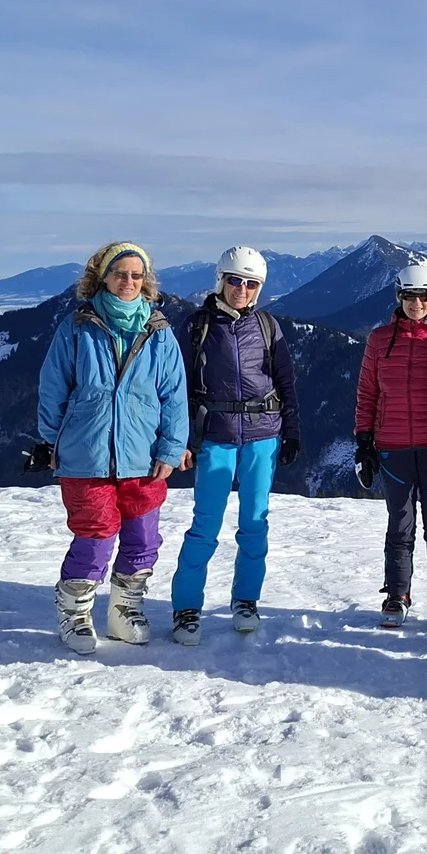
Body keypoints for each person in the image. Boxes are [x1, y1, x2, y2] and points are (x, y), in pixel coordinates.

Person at [32, 242, 188, 654]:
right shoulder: (78, 326)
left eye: (137, 276)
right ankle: (76, 612)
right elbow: (53, 388)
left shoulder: (158, 332)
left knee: (142, 538)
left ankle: (125, 610)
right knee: (95, 535)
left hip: (143, 454)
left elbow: (175, 396)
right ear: (102, 277)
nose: (129, 282)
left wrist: (171, 448)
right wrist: (54, 440)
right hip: (87, 454)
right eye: (121, 273)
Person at [169, 246, 301, 645]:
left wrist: (292, 429)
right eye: (235, 280)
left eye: (250, 283)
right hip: (216, 435)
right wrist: (182, 440)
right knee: (205, 524)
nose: (241, 289)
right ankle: (186, 607)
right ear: (220, 281)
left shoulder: (266, 325)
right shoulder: (197, 327)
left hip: (263, 435)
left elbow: (285, 380)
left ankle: (246, 600)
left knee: (254, 524)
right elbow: (181, 388)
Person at [354, 259, 427, 628]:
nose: (417, 303)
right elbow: (367, 392)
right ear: (399, 297)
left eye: (424, 296)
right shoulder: (380, 340)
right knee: (399, 524)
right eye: (410, 296)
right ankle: (397, 593)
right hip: (393, 446)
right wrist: (364, 440)